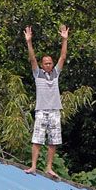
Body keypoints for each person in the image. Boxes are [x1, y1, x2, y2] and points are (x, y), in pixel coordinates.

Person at [24, 23, 68, 178]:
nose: (49, 65)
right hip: (42, 110)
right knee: (37, 139)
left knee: (53, 140)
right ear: (43, 65)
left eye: (50, 63)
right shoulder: (38, 74)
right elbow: (32, 59)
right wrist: (29, 42)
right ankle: (34, 166)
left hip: (55, 110)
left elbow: (63, 57)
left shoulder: (55, 73)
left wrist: (64, 40)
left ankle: (48, 167)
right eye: (46, 63)